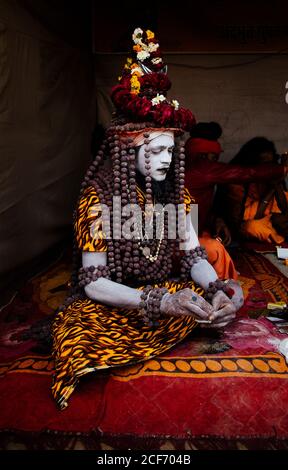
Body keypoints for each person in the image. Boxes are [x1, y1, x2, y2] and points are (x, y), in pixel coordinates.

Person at [52, 28, 244, 410]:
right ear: (127, 148)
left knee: (209, 304)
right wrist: (156, 301)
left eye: (171, 150)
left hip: (163, 297)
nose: (166, 160)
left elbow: (192, 257)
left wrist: (218, 287)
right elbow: (94, 282)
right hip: (115, 304)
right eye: (154, 150)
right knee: (75, 336)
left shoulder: (175, 193)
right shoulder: (97, 198)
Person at [185, 123, 288, 276]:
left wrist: (216, 220)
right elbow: (248, 173)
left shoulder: (200, 168)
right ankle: (225, 287)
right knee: (216, 248)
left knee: (211, 239)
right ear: (203, 156)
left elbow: (198, 208)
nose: (217, 161)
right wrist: (282, 169)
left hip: (193, 224)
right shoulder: (203, 167)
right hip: (184, 229)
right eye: (214, 157)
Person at [217, 138, 288, 244]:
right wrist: (272, 188)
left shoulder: (272, 176)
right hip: (248, 225)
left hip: (270, 223)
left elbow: (284, 209)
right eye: (264, 164)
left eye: (271, 163)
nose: (268, 168)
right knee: (252, 227)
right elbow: (246, 221)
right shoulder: (236, 183)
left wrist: (278, 181)